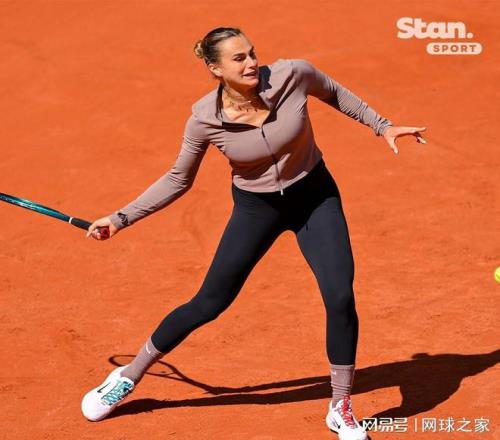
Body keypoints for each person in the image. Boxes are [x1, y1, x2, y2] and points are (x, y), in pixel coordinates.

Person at [81, 27, 426, 440]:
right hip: (256, 210)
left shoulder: (293, 75)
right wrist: (121, 217)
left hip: (315, 197)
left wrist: (381, 126)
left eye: (252, 53)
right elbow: (178, 179)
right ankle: (129, 375)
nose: (252, 63)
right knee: (209, 303)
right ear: (215, 68)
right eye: (239, 58)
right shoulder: (204, 120)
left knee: (339, 296)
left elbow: (334, 92)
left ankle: (341, 406)